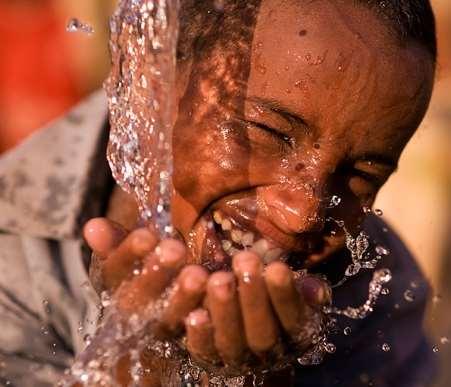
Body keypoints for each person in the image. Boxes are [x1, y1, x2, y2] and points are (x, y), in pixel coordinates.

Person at [0, 0, 438, 386]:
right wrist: (138, 360)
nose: (302, 214)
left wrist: (264, 377)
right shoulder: (11, 251)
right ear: (146, 79)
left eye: (361, 175)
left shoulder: (378, 296)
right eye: (269, 133)